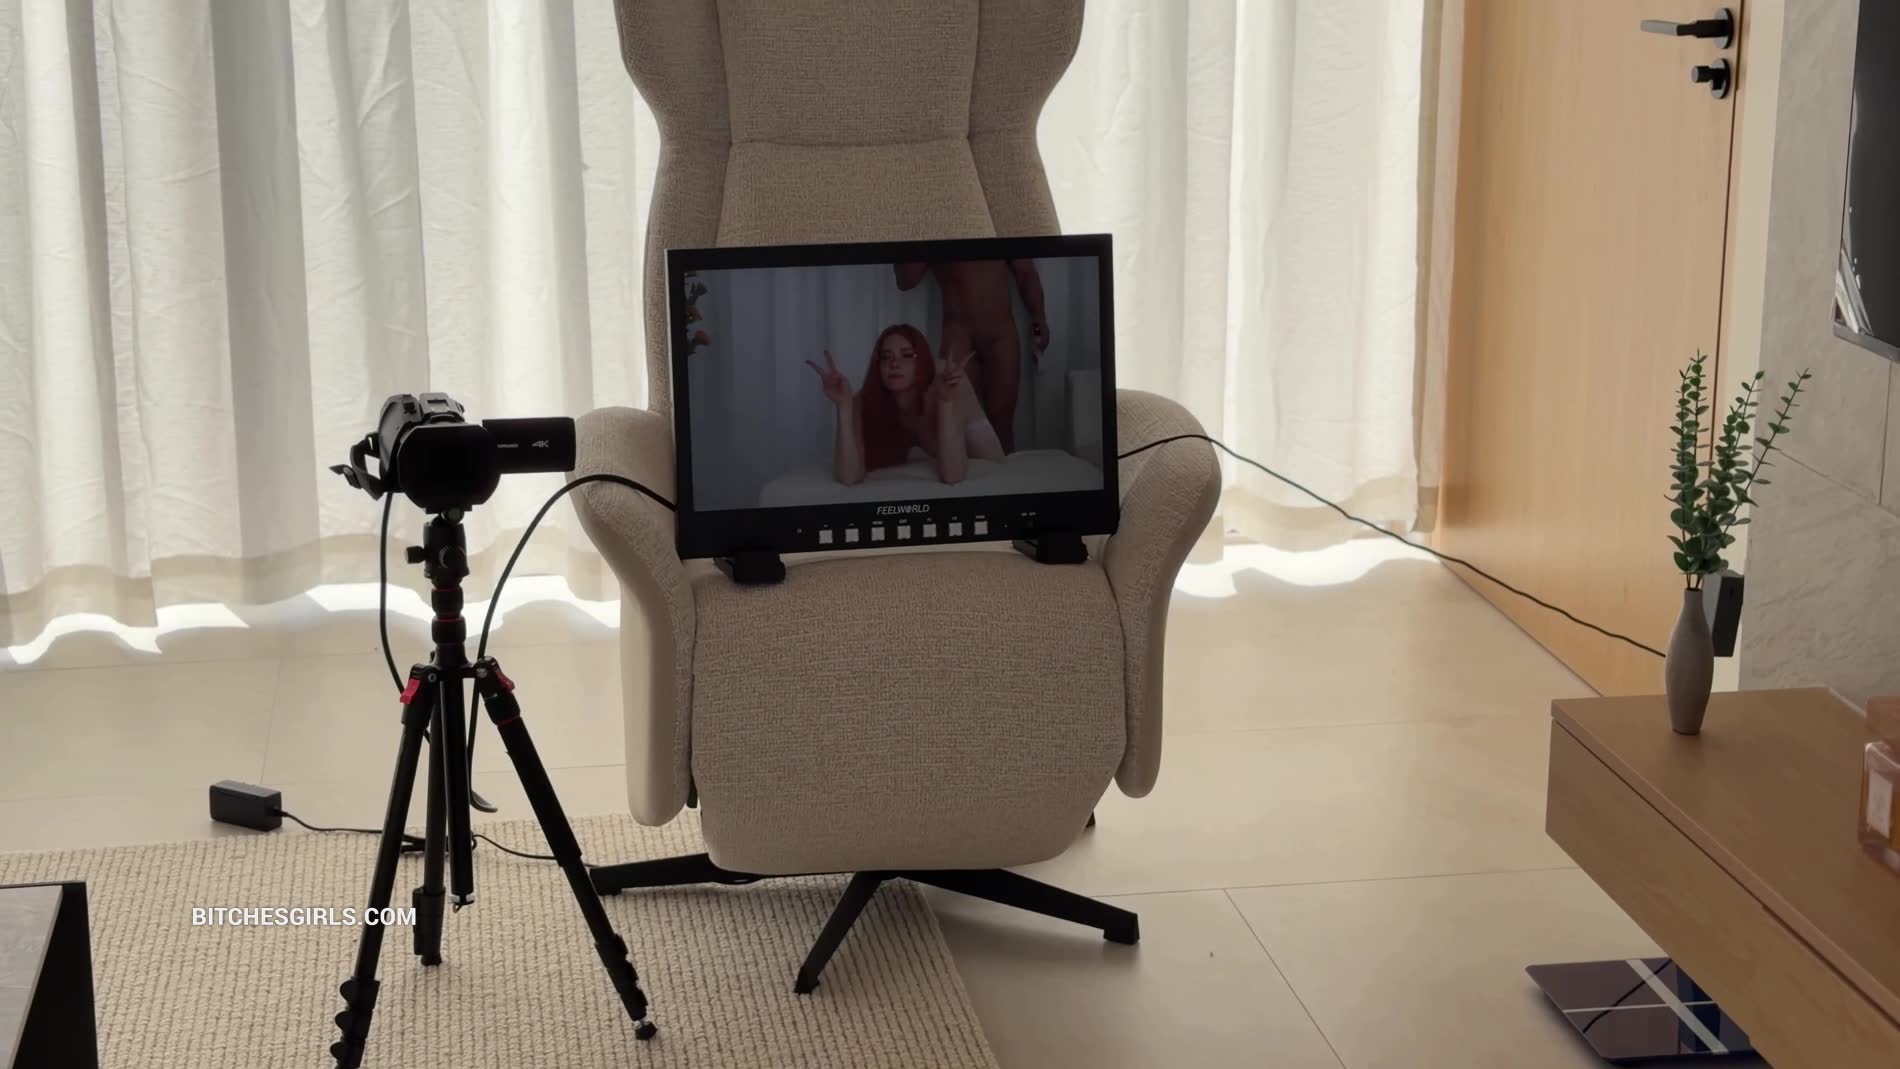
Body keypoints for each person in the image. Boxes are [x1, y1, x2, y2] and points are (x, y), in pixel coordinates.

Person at [805, 324, 1005, 486]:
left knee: (992, 464)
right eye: (886, 357)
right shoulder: (866, 398)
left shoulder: (946, 379)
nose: (894, 364)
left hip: (978, 456)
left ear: (922, 360)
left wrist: (945, 402)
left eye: (907, 355)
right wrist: (843, 407)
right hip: (931, 448)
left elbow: (953, 476)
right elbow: (849, 477)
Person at [892, 259, 1048, 453]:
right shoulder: (929, 236)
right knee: (955, 422)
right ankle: (960, 471)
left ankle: (1004, 472)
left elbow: (1026, 274)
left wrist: (1039, 320)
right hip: (958, 338)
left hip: (1001, 336)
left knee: (1002, 423)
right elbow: (904, 281)